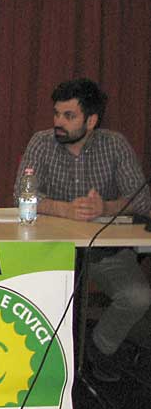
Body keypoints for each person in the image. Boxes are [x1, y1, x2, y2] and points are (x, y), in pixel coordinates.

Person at [16, 78, 151, 381]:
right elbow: (21, 195)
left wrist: (105, 207)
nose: (58, 123)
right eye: (56, 114)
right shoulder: (41, 142)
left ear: (91, 121)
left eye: (69, 116)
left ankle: (99, 348)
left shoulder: (114, 144)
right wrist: (65, 209)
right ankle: (40, 363)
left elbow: (142, 199)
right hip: (50, 250)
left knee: (138, 297)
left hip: (104, 250)